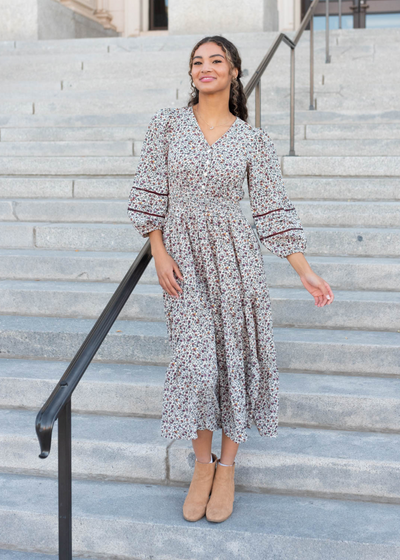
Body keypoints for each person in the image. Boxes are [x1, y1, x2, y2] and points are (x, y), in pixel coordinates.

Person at [127, 35, 334, 524]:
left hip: (238, 258)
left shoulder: (253, 139)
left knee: (235, 358)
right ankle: (202, 466)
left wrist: (304, 270)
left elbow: (271, 209)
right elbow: (148, 189)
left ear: (235, 71)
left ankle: (227, 468)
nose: (205, 68)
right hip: (184, 257)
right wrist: (158, 249)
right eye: (197, 61)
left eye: (216, 60)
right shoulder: (168, 125)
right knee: (197, 360)